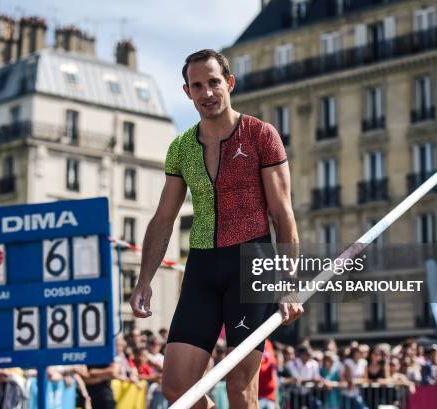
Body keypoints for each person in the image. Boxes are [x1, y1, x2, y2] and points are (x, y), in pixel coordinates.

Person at [129, 48, 303, 409]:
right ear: (187, 93)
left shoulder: (260, 135)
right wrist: (144, 278)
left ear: (229, 83)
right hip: (202, 268)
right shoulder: (181, 147)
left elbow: (283, 215)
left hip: (251, 265)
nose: (206, 93)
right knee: (176, 387)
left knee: (241, 387)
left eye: (213, 82)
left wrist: (287, 284)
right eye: (197, 86)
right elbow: (163, 219)